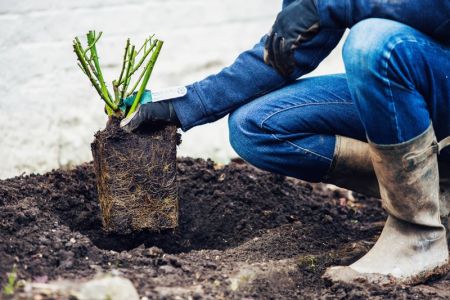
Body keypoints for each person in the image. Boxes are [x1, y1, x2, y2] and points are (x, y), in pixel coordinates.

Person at [121, 0, 450, 284]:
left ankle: (417, 235)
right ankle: (436, 192)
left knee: (373, 42)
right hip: (418, 92)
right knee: (255, 125)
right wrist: (184, 103)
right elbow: (285, 50)